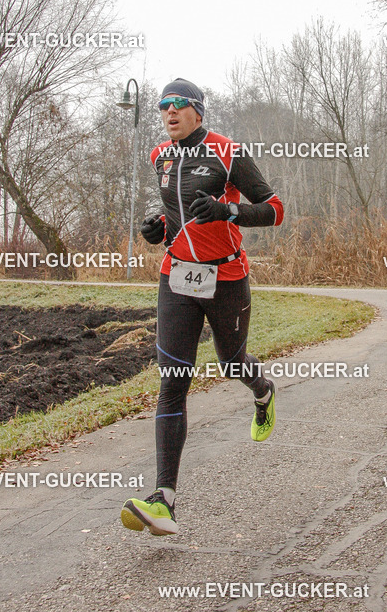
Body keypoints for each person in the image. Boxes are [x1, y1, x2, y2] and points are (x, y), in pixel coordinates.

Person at [121, 78, 284, 535]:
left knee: (231, 363)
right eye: (162, 106)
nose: (168, 112)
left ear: (198, 110)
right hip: (176, 276)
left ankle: (263, 391)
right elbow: (175, 215)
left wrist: (227, 211)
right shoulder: (160, 156)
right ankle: (164, 500)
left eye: (178, 104)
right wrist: (158, 229)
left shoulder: (227, 152)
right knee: (173, 380)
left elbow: (275, 209)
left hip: (226, 277)